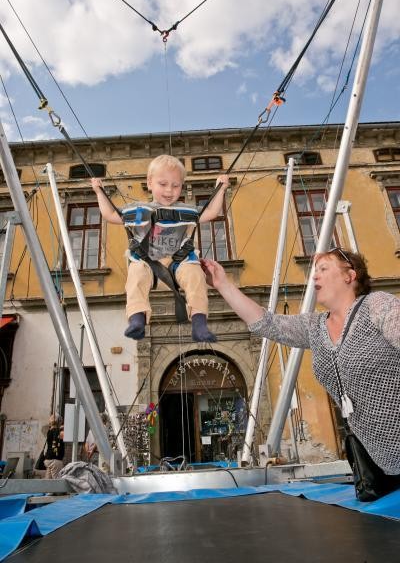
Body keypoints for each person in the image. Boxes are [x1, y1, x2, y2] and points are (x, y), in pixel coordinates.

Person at [201, 248, 400, 493]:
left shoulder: (378, 305)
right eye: (314, 271)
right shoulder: (316, 326)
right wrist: (222, 284)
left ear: (350, 276)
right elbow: (268, 324)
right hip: (377, 463)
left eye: (324, 269)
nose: (314, 276)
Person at [91, 155, 229, 342]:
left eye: (175, 185)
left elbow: (212, 212)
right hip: (148, 263)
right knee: (136, 274)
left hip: (178, 263)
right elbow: (110, 214)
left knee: (196, 276)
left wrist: (220, 188)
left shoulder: (187, 211)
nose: (169, 191)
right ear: (149, 183)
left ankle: (199, 324)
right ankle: (137, 318)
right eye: (163, 184)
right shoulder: (139, 210)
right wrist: (99, 192)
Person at [43, 414, 65, 479]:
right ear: (59, 422)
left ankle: (46, 489)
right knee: (57, 482)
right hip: (55, 460)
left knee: (48, 482)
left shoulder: (49, 431)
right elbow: (67, 435)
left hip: (48, 459)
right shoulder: (59, 432)